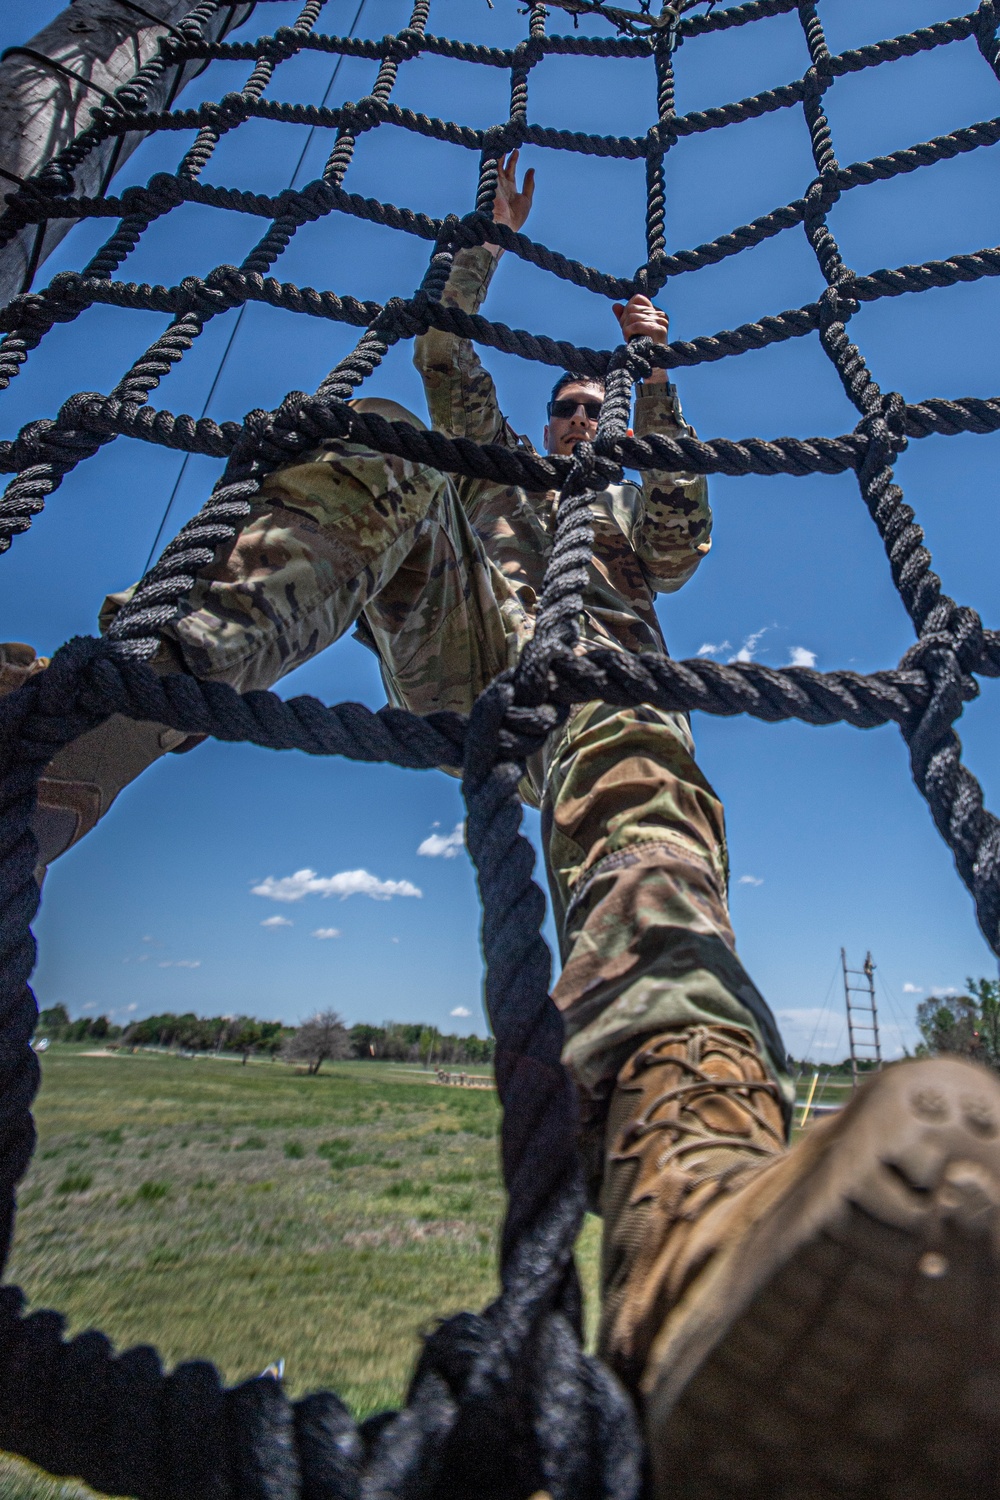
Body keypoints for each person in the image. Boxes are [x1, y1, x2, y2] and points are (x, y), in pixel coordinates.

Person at [5, 154, 1000, 1495]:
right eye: (573, 404)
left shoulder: (628, 505)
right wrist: (481, 240)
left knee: (637, 739)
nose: (581, 416)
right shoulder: (506, 475)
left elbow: (686, 520)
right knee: (390, 450)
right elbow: (440, 349)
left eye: (595, 406)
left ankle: (688, 1187)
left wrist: (653, 376)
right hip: (459, 627)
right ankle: (81, 729)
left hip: (590, 684)